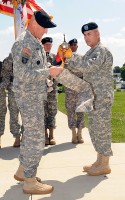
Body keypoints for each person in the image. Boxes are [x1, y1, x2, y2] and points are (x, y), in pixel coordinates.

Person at [11, 10, 63, 195]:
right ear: (32, 22)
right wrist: (49, 73)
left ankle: (23, 172)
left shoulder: (35, 42)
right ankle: (30, 182)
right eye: (44, 28)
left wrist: (48, 69)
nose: (46, 32)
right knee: (35, 138)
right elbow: (23, 74)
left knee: (32, 136)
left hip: (33, 96)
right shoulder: (24, 43)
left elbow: (35, 68)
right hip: (28, 97)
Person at [64, 22, 114, 176]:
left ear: (97, 34)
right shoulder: (90, 52)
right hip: (93, 97)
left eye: (89, 34)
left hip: (102, 98)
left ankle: (105, 164)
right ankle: (99, 161)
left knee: (102, 129)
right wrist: (64, 61)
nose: (86, 38)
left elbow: (86, 67)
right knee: (94, 129)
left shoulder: (101, 51)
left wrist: (70, 56)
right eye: (84, 35)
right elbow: (77, 67)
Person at [0, 54, 22, 148]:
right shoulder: (9, 59)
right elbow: (5, 76)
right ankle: (17, 136)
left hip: (29, 90)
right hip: (13, 89)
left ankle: (24, 137)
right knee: (13, 114)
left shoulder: (31, 55)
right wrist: (3, 86)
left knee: (27, 115)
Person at [64, 38, 84, 144]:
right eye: (71, 45)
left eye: (75, 45)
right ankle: (73, 134)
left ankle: (80, 133)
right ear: (69, 46)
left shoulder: (82, 58)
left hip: (80, 89)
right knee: (70, 112)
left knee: (81, 111)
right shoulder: (65, 58)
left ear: (77, 46)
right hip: (70, 90)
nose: (73, 46)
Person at [41, 37, 57, 145]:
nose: (48, 46)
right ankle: (45, 136)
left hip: (52, 90)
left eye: (50, 45)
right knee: (42, 112)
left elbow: (59, 70)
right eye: (46, 44)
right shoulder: (38, 57)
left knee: (52, 112)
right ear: (42, 45)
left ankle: (51, 135)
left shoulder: (55, 57)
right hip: (41, 89)